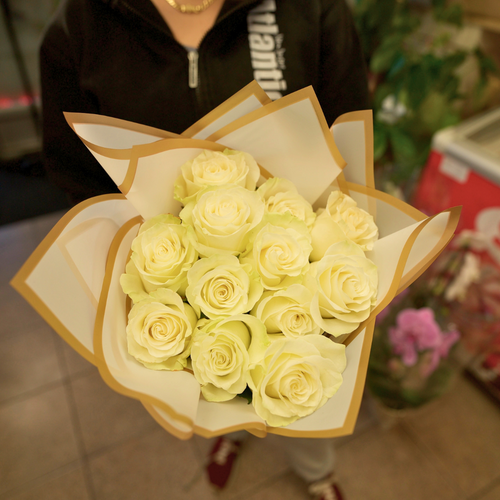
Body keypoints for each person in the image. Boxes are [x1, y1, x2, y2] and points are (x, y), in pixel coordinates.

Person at [40, 1, 370, 498]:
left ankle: (317, 470)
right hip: (168, 274)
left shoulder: (312, 8)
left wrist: (348, 244)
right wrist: (137, 261)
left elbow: (348, 125)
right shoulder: (80, 28)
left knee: (305, 382)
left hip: (302, 260)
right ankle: (230, 436)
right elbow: (76, 172)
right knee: (220, 366)